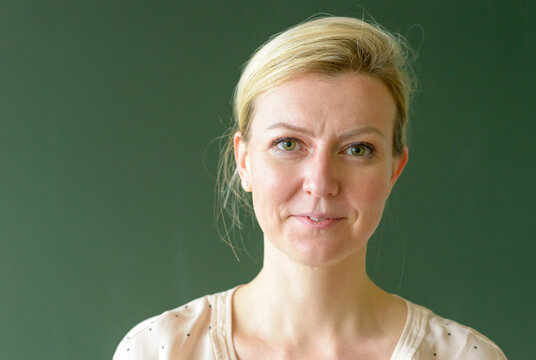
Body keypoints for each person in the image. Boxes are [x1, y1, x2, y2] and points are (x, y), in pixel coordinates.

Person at [113, 16, 507, 359]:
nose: (320, 183)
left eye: (357, 149)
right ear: (244, 161)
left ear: (394, 170)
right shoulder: (158, 350)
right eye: (288, 144)